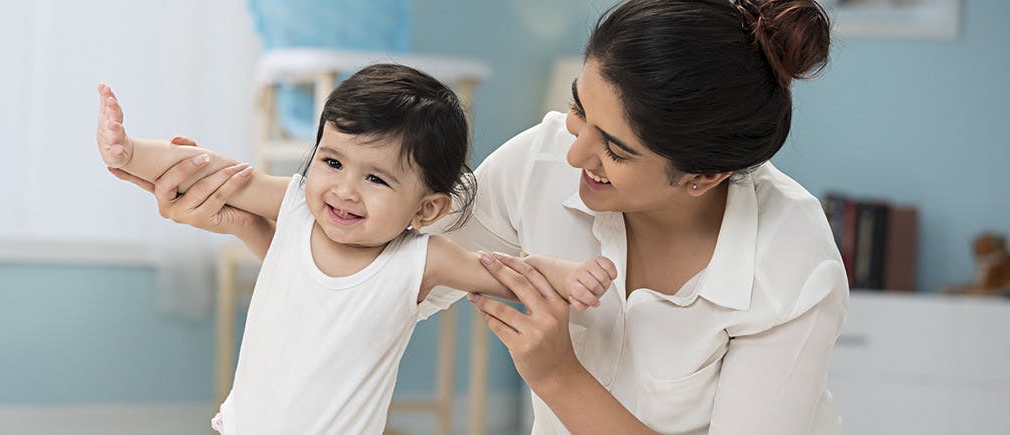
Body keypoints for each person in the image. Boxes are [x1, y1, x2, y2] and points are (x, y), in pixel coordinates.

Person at [111, 0, 849, 433]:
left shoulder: (790, 260)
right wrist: (254, 224)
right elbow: (392, 273)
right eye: (578, 109)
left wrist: (559, 375)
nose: (572, 152)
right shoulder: (537, 160)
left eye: (613, 149)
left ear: (706, 175)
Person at [95, 64, 617, 434]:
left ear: (427, 210)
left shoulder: (422, 259)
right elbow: (216, 173)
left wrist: (570, 276)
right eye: (332, 162)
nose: (344, 189)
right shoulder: (298, 207)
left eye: (376, 179)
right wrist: (133, 152)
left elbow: (508, 273)